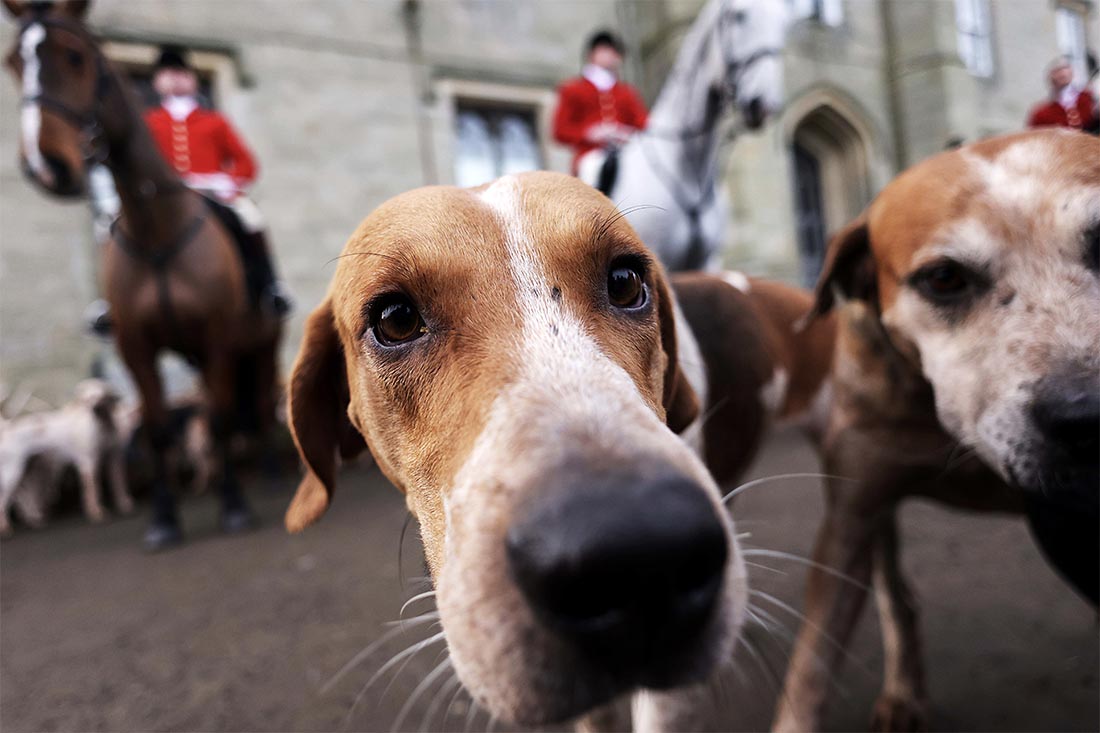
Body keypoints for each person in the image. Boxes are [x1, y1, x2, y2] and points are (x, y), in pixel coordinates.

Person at [88, 46, 290, 335]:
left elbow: (247, 165)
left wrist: (222, 180)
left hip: (211, 193)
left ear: (192, 81)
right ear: (158, 82)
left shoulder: (214, 122)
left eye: (181, 74)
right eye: (168, 74)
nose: (175, 79)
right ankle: (108, 301)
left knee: (252, 218)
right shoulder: (149, 122)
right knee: (108, 225)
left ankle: (270, 289)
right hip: (160, 198)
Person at [552, 30, 648, 179]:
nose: (610, 56)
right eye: (604, 50)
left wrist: (625, 133)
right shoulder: (573, 89)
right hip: (590, 156)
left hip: (626, 154)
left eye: (614, 52)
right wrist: (589, 134)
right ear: (592, 54)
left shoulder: (627, 92)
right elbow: (560, 131)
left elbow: (644, 125)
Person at [1027, 56, 1097, 131]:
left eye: (1065, 68)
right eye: (1057, 71)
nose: (1062, 73)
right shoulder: (1042, 113)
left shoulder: (1088, 98)